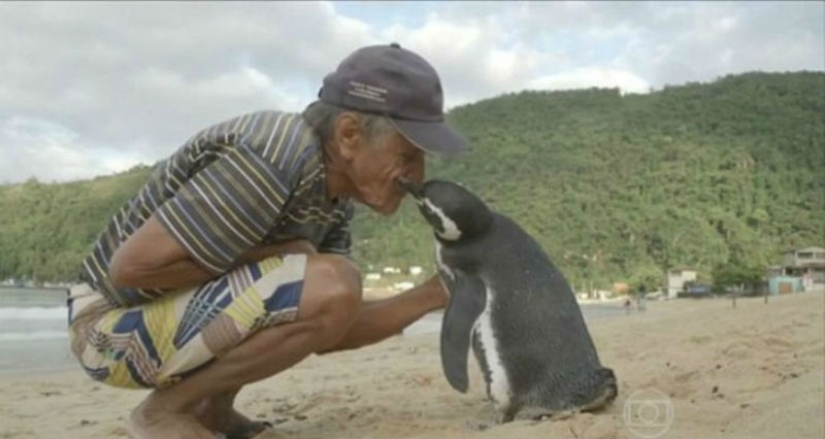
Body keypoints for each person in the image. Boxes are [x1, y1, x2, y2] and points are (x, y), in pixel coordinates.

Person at [66, 43, 470, 439]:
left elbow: (331, 324)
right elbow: (131, 269)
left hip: (155, 324)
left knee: (333, 284)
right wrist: (279, 253)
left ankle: (211, 408)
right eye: (409, 154)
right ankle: (164, 413)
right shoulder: (275, 154)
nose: (417, 175)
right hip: (105, 330)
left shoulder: (332, 199)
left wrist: (435, 293)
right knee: (331, 280)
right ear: (349, 134)